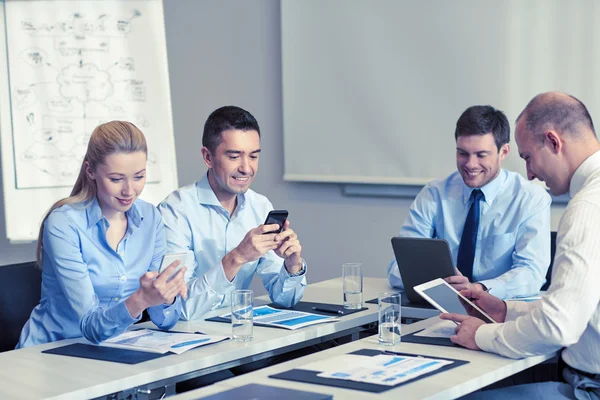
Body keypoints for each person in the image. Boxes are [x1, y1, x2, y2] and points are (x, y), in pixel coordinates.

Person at [441, 92, 600, 399]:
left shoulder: (588, 208)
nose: (529, 174)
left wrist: (483, 335)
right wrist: (505, 310)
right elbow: (577, 305)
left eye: (528, 158)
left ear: (553, 142)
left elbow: (558, 325)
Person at [17, 121, 187, 348]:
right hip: (53, 351)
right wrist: (141, 300)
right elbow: (90, 326)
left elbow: (164, 321)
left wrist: (167, 295)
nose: (129, 190)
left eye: (138, 177)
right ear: (91, 171)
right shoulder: (63, 223)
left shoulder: (150, 218)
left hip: (113, 350)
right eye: (116, 179)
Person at [388, 105, 551, 299]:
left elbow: (532, 274)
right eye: (463, 153)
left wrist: (479, 289)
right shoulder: (434, 193)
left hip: (500, 312)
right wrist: (443, 285)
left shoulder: (530, 198)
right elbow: (397, 268)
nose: (470, 165)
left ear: (503, 152)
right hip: (440, 305)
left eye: (481, 155)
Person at [158, 106, 306, 320]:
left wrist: (293, 266)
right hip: (190, 339)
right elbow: (179, 309)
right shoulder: (175, 212)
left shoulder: (260, 206)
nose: (246, 168)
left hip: (239, 332)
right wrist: (237, 258)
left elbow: (285, 299)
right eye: (234, 156)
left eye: (254, 156)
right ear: (208, 157)